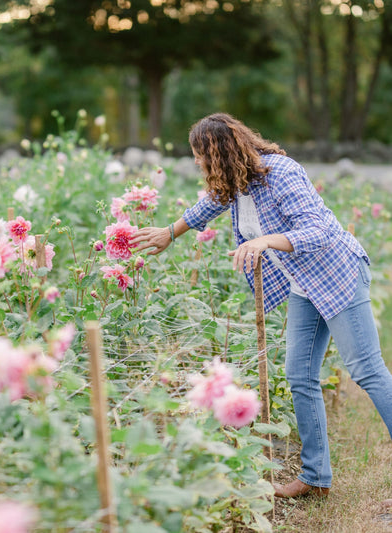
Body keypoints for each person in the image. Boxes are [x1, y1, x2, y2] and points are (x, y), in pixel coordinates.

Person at [131, 112, 392, 498]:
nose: (198, 163)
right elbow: (208, 207)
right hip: (304, 283)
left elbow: (317, 230)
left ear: (219, 152)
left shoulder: (282, 173)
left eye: (200, 155)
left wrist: (265, 241)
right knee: (299, 376)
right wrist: (171, 232)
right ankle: (315, 478)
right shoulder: (236, 181)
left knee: (366, 370)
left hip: (337, 274)